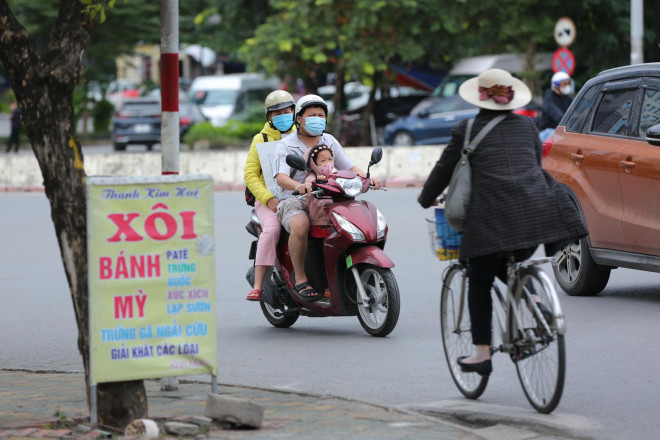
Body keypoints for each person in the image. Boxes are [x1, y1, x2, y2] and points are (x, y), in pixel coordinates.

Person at [417, 68, 587, 376]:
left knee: (480, 279)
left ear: (480, 99)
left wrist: (426, 198)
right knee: (511, 261)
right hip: (536, 214)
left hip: (491, 219)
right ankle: (535, 299)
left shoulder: (466, 130)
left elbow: (444, 169)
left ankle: (482, 353)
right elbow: (532, 165)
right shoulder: (526, 125)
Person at [274, 94, 380, 301]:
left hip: (328, 197)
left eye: (321, 115)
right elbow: (281, 177)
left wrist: (367, 178)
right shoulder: (286, 145)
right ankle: (301, 279)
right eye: (312, 115)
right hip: (295, 199)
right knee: (301, 225)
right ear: (299, 119)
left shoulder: (328, 140)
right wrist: (299, 186)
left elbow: (349, 167)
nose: (317, 119)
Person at [244, 90, 296, 301]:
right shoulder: (261, 139)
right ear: (269, 116)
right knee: (273, 228)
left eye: (287, 111)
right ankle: (258, 285)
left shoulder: (301, 135)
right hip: (269, 200)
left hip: (301, 196)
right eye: (277, 113)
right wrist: (268, 199)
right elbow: (250, 175)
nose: (283, 116)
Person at [538, 71, 573, 142]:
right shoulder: (549, 95)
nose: (567, 86)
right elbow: (551, 109)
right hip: (547, 131)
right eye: (564, 84)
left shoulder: (567, 98)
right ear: (556, 85)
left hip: (563, 131)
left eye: (568, 83)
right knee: (563, 140)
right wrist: (565, 120)